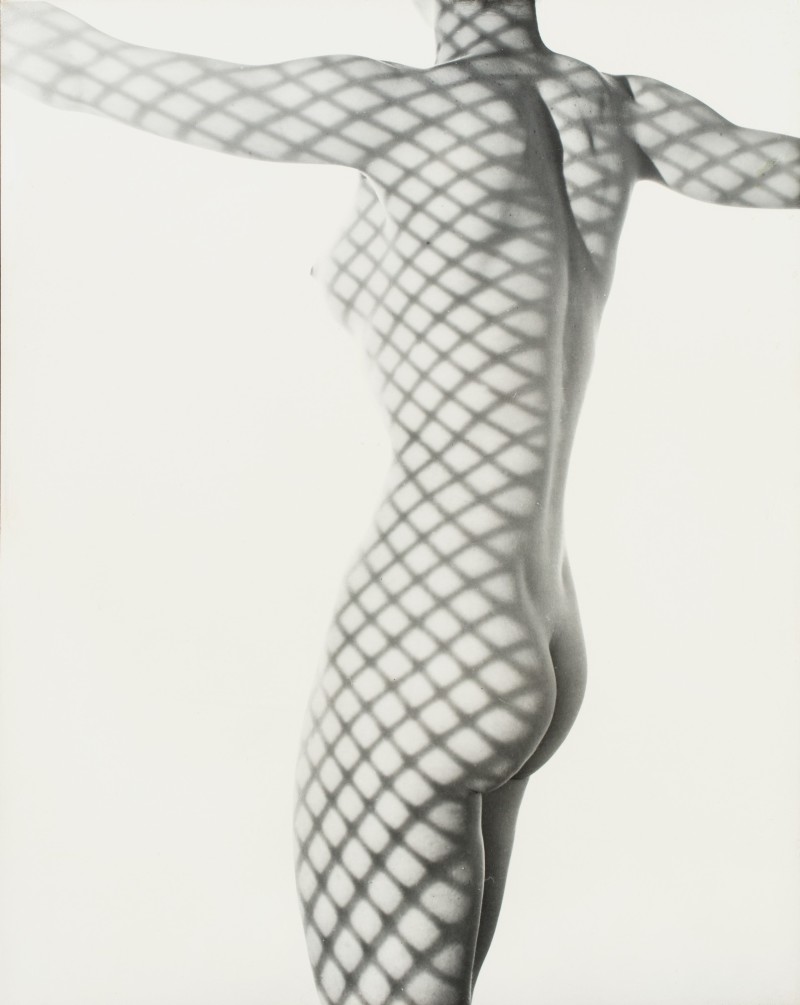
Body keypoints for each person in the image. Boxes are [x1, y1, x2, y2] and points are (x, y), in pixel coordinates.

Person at [3, 2, 798, 1002]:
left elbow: (85, 69)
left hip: (432, 611)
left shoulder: (405, 110)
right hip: (541, 613)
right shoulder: (620, 110)